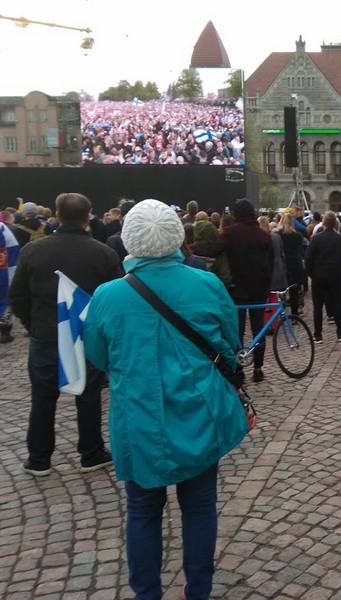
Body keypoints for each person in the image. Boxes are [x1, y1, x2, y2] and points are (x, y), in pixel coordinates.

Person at [82, 199, 248, 600]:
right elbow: (231, 342)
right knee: (199, 506)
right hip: (199, 412)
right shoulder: (205, 282)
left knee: (142, 510)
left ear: (130, 243)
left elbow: (97, 356)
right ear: (177, 236)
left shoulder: (107, 296)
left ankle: (146, 594)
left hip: (138, 418)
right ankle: (199, 591)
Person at [9, 192, 120, 476]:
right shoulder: (103, 253)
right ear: (88, 216)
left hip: (46, 334)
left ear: (58, 216)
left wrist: (33, 325)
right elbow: (114, 299)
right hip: (87, 335)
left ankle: (39, 458)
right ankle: (91, 452)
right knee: (89, 394)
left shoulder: (33, 251)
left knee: (43, 396)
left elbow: (18, 295)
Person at [191, 198, 273, 383]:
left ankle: (239, 368)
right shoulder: (264, 235)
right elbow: (271, 263)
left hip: (237, 290)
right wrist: (266, 287)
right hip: (258, 290)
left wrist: (190, 248)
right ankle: (258, 368)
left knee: (237, 332)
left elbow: (213, 250)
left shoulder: (231, 233)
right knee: (258, 330)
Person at [305, 211, 341, 344]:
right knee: (337, 304)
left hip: (319, 275)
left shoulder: (316, 239)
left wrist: (312, 273)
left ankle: (318, 334)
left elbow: (308, 259)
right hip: (335, 275)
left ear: (324, 223)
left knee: (318, 306)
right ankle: (340, 333)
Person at [0, 215, 19, 343]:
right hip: (4, 270)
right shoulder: (2, 228)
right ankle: (4, 328)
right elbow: (13, 250)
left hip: (4, 268)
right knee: (4, 298)